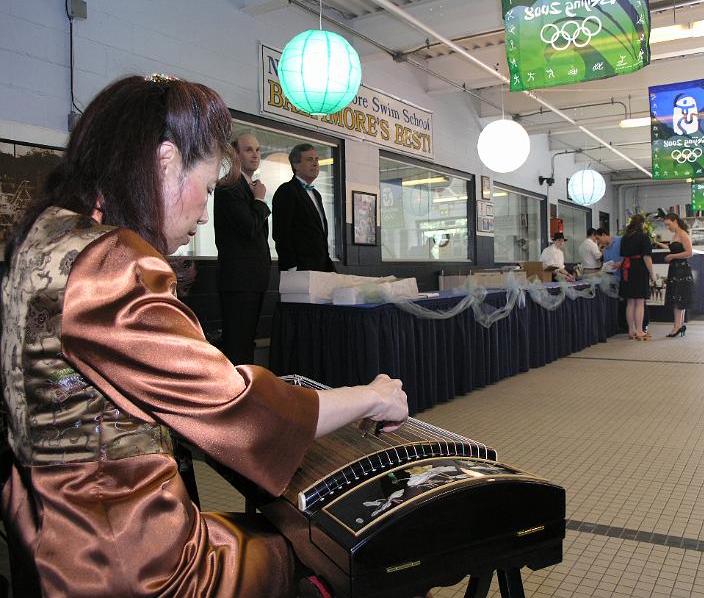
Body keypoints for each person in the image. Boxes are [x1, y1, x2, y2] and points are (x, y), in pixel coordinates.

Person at [0, 75, 408, 597]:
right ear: (166, 159)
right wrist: (371, 396)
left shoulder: (48, 234)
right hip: (124, 560)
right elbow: (238, 409)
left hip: (46, 532)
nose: (203, 212)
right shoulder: (109, 264)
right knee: (350, 551)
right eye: (209, 187)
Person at [214, 132, 271, 365]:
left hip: (253, 280)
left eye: (257, 150)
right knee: (237, 345)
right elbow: (249, 228)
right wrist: (259, 201)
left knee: (247, 342)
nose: (255, 155)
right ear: (234, 154)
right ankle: (236, 397)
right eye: (248, 149)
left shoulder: (248, 186)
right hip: (239, 281)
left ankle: (248, 393)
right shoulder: (229, 186)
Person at [272, 143, 335, 272]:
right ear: (296, 165)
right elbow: (281, 233)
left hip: (321, 268)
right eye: (309, 159)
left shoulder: (316, 194)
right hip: (299, 268)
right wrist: (291, 266)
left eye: (316, 159)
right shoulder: (287, 191)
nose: (315, 163)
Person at [619, 214, 657, 340]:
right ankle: (640, 331)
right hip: (639, 268)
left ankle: (631, 330)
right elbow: (647, 257)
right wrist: (652, 274)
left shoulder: (625, 237)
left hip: (627, 268)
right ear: (642, 224)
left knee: (630, 302)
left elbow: (623, 255)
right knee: (640, 302)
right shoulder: (643, 237)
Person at [657, 213, 694, 337]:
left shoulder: (683, 234)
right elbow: (674, 248)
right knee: (678, 297)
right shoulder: (675, 235)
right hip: (675, 269)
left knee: (678, 298)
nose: (668, 227)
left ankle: (677, 326)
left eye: (668, 224)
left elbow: (689, 252)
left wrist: (672, 256)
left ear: (675, 221)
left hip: (681, 269)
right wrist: (659, 244)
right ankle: (679, 325)